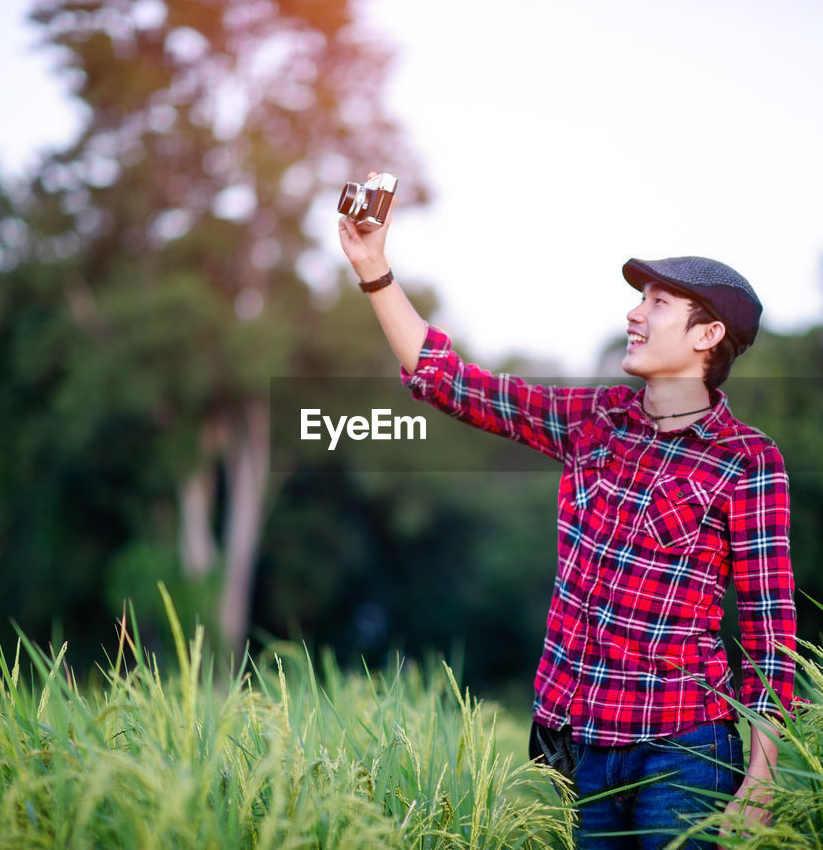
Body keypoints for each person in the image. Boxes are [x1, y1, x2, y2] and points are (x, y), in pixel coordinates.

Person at [337, 178, 796, 849]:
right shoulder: (596, 422)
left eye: (658, 303)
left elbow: (770, 635)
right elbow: (453, 382)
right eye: (639, 298)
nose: (636, 314)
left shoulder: (748, 461)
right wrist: (375, 272)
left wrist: (761, 778)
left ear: (709, 334)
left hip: (684, 752)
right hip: (577, 752)